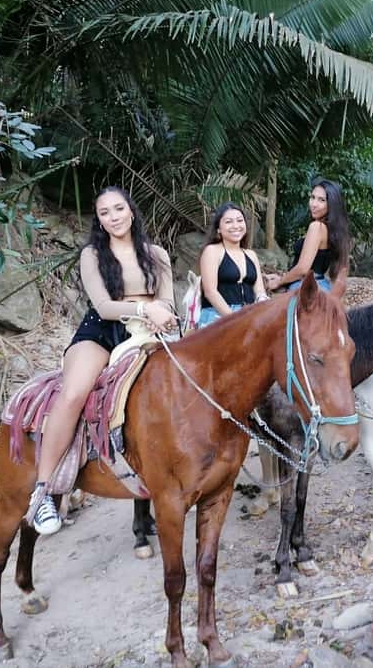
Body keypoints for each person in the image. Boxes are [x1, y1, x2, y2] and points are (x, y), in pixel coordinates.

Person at [28, 186, 176, 535]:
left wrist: (162, 314)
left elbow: (168, 301)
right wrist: (144, 307)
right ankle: (44, 490)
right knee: (75, 393)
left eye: (119, 209)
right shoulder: (93, 255)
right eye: (105, 212)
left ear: (131, 211)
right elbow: (104, 306)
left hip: (150, 332)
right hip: (102, 333)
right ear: (99, 220)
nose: (114, 217)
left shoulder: (157, 254)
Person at [264, 177, 351, 293]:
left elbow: (302, 269)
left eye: (321, 200)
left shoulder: (316, 227)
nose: (314, 204)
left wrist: (279, 282)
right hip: (322, 285)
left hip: (305, 288)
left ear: (332, 204)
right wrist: (283, 276)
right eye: (312, 197)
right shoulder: (334, 230)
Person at [198, 202, 269, 327]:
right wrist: (234, 319)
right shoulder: (212, 251)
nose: (236, 226)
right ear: (218, 228)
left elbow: (259, 291)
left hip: (249, 314)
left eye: (239, 220)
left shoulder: (251, 254)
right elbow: (210, 291)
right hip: (218, 316)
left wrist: (262, 309)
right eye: (228, 222)